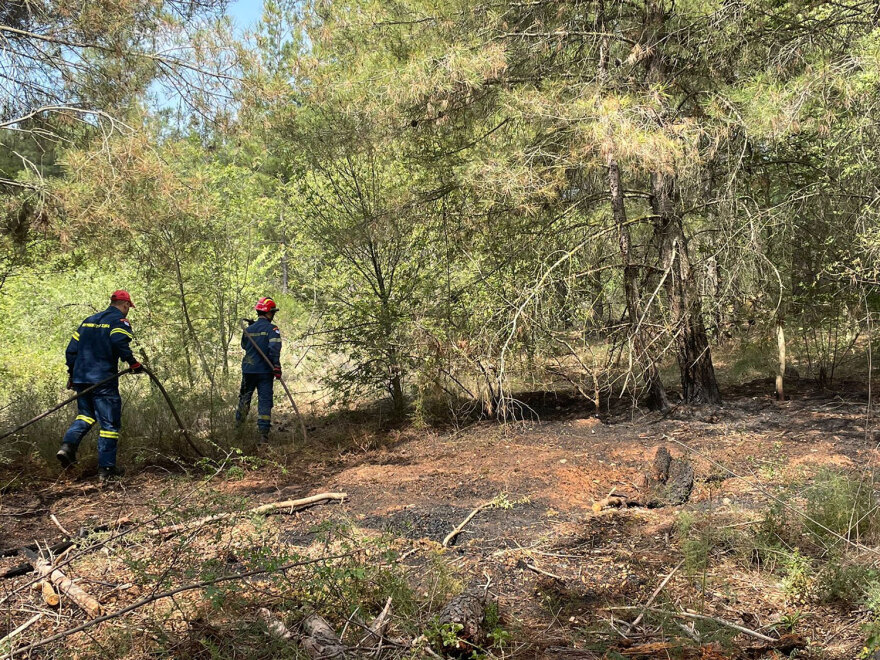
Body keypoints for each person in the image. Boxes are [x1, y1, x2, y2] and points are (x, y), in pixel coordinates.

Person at [57, 290, 143, 481]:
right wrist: (133, 363)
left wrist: (72, 374)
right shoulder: (119, 321)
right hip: (103, 380)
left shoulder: (88, 320)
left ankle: (67, 447)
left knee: (85, 416)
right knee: (109, 424)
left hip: (81, 378)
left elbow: (71, 350)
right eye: (128, 307)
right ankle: (107, 470)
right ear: (126, 305)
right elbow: (119, 341)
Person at [236, 297, 282, 443]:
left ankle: (238, 430)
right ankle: (263, 434)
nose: (273, 315)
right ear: (269, 313)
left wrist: (253, 330)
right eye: (272, 312)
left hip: (248, 370)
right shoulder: (272, 329)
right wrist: (276, 366)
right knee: (264, 401)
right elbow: (274, 348)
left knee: (244, 399)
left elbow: (244, 346)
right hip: (264, 372)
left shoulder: (248, 330)